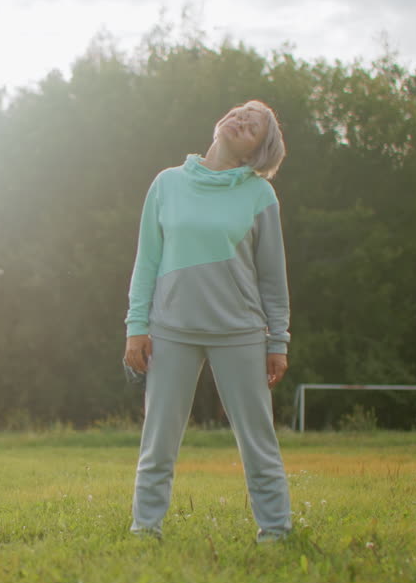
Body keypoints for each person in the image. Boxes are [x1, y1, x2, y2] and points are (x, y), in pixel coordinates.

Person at [123, 100, 292, 542]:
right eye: (240, 111)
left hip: (240, 333)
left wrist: (279, 342)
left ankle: (275, 532)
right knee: (158, 443)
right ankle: (145, 530)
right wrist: (135, 327)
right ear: (222, 121)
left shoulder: (260, 195)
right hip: (170, 331)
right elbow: (146, 262)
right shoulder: (167, 184)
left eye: (254, 124)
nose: (242, 119)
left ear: (259, 149)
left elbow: (273, 279)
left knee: (258, 442)